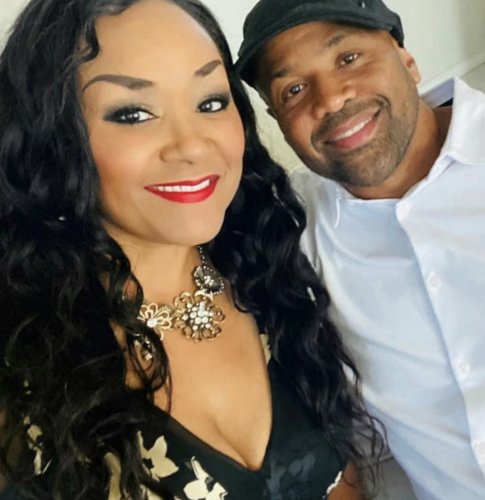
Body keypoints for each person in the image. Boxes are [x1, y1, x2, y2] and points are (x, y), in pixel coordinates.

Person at [0, 0, 384, 498]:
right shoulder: (22, 354)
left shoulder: (270, 271)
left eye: (210, 102)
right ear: (51, 139)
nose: (191, 145)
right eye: (133, 113)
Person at [236, 0, 485, 499]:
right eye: (294, 90)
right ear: (278, 120)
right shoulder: (289, 231)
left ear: (406, 59)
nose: (331, 98)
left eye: (349, 58)